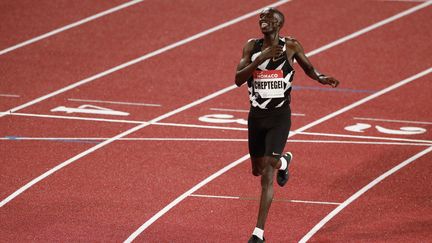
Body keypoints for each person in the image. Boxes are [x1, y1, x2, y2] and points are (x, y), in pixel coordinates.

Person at [234, 7, 340, 243]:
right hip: (256, 118)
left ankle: (258, 233)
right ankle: (284, 161)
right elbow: (238, 79)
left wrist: (321, 78)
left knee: (267, 174)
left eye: (269, 19)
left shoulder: (291, 46)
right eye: (261, 18)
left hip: (279, 117)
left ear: (279, 24)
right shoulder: (251, 47)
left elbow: (308, 68)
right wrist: (260, 59)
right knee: (258, 169)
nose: (264, 21)